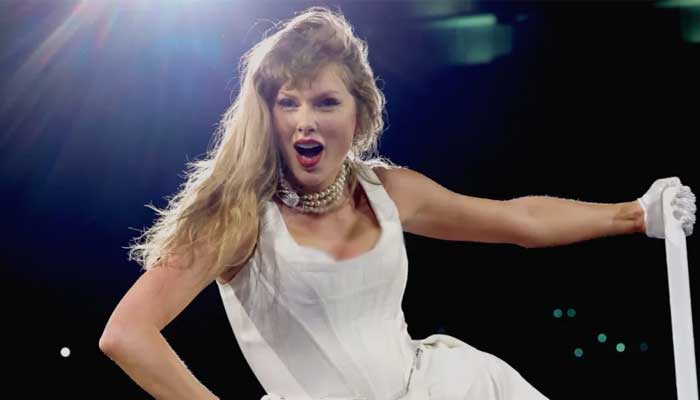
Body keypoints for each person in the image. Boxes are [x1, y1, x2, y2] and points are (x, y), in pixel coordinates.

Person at [98, 6, 696, 400]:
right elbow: (126, 334)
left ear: (358, 115)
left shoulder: (389, 190)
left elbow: (516, 219)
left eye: (325, 102)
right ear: (267, 114)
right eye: (288, 102)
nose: (305, 120)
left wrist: (634, 214)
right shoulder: (239, 216)